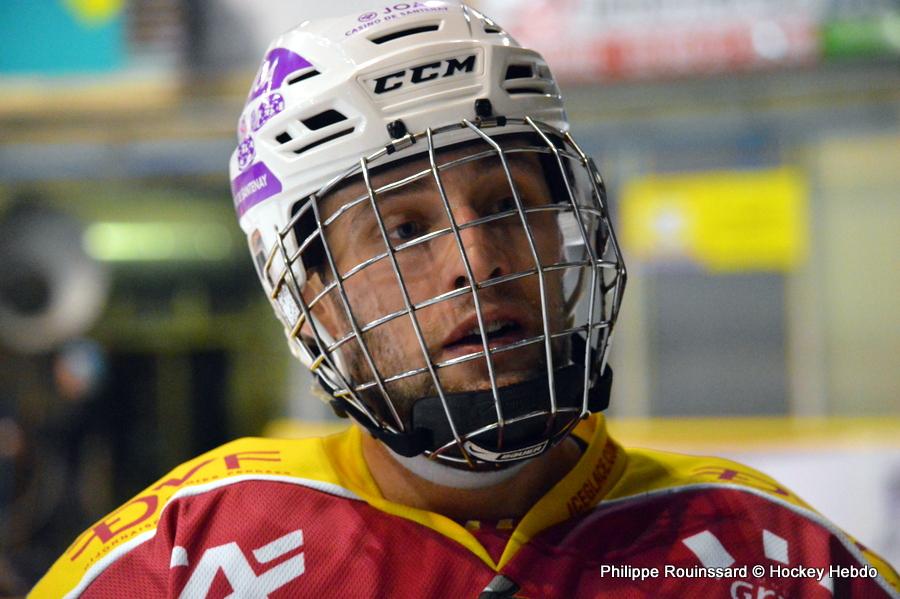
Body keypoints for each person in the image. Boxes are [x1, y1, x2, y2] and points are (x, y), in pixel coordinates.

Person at [32, 3, 899, 597]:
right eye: (403, 229)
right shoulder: (182, 561)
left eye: (507, 204)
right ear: (315, 299)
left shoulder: (771, 557)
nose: (476, 262)